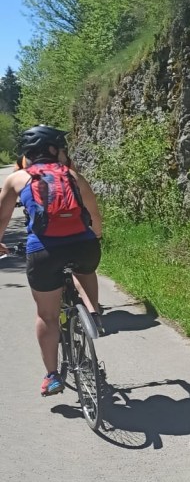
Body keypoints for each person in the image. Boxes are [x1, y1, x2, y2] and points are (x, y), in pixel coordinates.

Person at [0, 125, 104, 397]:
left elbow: (2, 218)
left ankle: (52, 376)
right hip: (84, 247)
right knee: (85, 269)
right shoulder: (72, 175)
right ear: (54, 150)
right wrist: (95, 237)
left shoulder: (17, 178)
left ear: (28, 153)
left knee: (47, 316)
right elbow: (94, 216)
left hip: (44, 252)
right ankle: (93, 313)